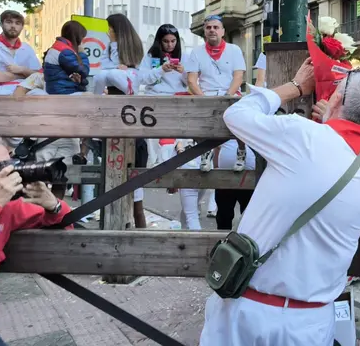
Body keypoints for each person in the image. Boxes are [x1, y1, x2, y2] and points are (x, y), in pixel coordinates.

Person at [199, 63, 360, 346]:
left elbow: (236, 114)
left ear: (336, 99)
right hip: (311, 323)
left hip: (248, 312)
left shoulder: (303, 136)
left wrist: (296, 86)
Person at [0, 134, 72, 343]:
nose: (6, 172)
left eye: (9, 162)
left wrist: (53, 205)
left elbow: (65, 225)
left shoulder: (5, 209)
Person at [93, 13, 147, 228]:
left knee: (135, 190)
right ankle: (126, 228)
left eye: (110, 28)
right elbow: (103, 71)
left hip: (128, 120)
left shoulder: (130, 49)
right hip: (116, 120)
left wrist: (122, 70)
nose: (108, 32)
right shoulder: (110, 48)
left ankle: (138, 230)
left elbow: (133, 71)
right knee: (120, 186)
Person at [183, 15, 247, 172]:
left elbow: (238, 76)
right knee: (198, 118)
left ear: (223, 31)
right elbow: (191, 80)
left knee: (240, 118)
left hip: (230, 93)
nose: (212, 30)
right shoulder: (196, 52)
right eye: (208, 27)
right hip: (206, 94)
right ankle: (206, 152)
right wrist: (204, 99)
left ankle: (241, 151)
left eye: (215, 27)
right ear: (204, 31)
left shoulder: (234, 50)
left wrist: (227, 96)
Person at [138, 24, 188, 167]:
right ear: (159, 41)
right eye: (166, 41)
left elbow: (191, 82)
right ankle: (159, 162)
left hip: (176, 98)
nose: (170, 45)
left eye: (173, 41)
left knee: (174, 133)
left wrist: (183, 72)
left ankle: (176, 151)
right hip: (155, 99)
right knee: (154, 138)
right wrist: (160, 70)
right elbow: (142, 79)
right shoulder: (150, 56)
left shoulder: (185, 56)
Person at [0, 10, 40, 96]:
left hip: (27, 89)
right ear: (1, 24)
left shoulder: (27, 48)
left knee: (45, 98)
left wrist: (23, 69)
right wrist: (21, 76)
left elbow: (38, 76)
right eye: (9, 22)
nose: (13, 26)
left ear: (22, 27)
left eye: (17, 23)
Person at [93, 13, 144, 95]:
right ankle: (96, 98)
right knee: (99, 76)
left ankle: (131, 92)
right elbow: (103, 65)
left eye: (110, 28)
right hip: (114, 72)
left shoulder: (133, 43)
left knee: (113, 74)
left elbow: (132, 64)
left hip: (130, 74)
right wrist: (116, 66)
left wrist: (114, 43)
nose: (108, 31)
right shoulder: (110, 45)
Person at [44, 21, 90, 95]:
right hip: (63, 91)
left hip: (57, 89)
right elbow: (83, 71)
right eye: (82, 37)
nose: (83, 41)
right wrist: (82, 53)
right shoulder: (64, 51)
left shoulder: (59, 47)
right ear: (77, 37)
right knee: (91, 98)